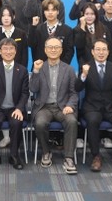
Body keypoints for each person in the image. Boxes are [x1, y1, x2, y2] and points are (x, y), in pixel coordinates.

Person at [74, 39, 112, 172]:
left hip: (111, 107)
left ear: (108, 52)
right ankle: (96, 156)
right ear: (92, 52)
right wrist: (83, 75)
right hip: (91, 107)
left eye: (104, 49)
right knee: (93, 121)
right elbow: (77, 88)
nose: (101, 52)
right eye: (98, 49)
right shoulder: (86, 67)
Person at [31, 37, 79, 174]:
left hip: (62, 107)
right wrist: (35, 71)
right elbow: (33, 89)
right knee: (40, 123)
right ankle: (46, 152)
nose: (53, 50)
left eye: (56, 47)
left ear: (61, 50)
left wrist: (70, 105)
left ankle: (69, 157)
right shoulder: (39, 67)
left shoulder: (69, 69)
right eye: (50, 47)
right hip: (44, 107)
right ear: (45, 50)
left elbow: (74, 93)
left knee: (71, 121)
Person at [0, 38, 29, 171]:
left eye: (11, 49)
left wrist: (19, 108)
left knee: (16, 122)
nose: (8, 52)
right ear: (0, 51)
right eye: (5, 49)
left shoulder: (22, 70)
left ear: (15, 51)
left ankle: (14, 156)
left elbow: (25, 93)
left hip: (14, 108)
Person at [28, 0, 74, 65]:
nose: (50, 13)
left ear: (58, 12)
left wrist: (62, 66)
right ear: (44, 12)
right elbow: (31, 44)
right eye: (47, 10)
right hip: (42, 66)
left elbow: (70, 51)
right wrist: (33, 27)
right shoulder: (38, 29)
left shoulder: (67, 30)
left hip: (61, 67)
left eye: (53, 10)